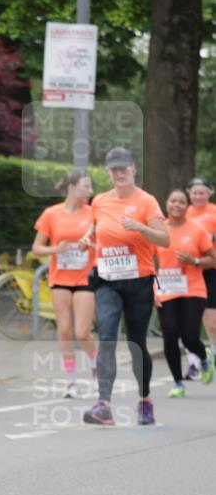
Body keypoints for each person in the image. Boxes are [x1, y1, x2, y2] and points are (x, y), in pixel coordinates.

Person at [81, 147, 169, 427]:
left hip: (139, 280)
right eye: (114, 169)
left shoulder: (146, 201)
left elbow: (165, 240)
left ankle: (145, 399)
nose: (119, 173)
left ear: (133, 169)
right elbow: (97, 228)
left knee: (136, 342)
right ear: (108, 172)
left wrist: (141, 228)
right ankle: (103, 405)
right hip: (107, 279)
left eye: (124, 168)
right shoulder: (100, 202)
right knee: (107, 335)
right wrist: (88, 236)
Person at [32, 169, 96, 397]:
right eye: (85, 187)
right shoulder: (51, 214)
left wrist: (89, 245)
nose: (90, 191)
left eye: (90, 187)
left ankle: (97, 365)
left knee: (82, 332)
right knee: (65, 330)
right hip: (60, 278)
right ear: (71, 188)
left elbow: (103, 244)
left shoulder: (93, 214)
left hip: (85, 277)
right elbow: (36, 248)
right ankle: (71, 382)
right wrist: (55, 249)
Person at [155, 189, 216, 397]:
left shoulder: (197, 229)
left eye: (181, 202)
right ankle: (178, 382)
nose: (177, 205)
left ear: (185, 205)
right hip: (167, 288)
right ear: (167, 204)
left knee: (190, 337)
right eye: (173, 201)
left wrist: (194, 261)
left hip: (193, 288)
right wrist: (152, 287)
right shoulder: (159, 230)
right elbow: (149, 261)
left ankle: (205, 359)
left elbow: (212, 258)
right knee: (170, 335)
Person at [183, 177, 216, 378]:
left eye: (201, 192)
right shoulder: (184, 213)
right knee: (188, 320)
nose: (197, 196)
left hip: (211, 268)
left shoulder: (214, 212)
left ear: (209, 193)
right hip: (188, 271)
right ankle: (194, 364)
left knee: (211, 322)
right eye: (194, 192)